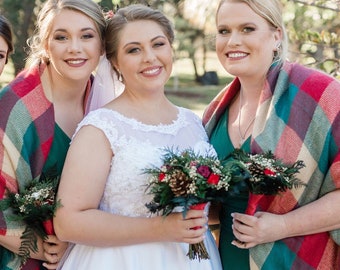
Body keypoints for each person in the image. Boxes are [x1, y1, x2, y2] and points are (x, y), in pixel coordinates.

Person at [53, 4, 222, 270]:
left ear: (171, 48)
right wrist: (160, 228)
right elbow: (68, 223)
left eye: (158, 44)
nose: (150, 57)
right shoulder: (101, 127)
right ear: (115, 62)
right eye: (134, 50)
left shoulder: (192, 122)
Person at [202, 0, 340, 269]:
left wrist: (282, 225)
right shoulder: (213, 113)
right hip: (227, 260)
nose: (232, 41)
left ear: (276, 36)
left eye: (247, 29)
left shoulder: (322, 95)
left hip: (297, 260)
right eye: (223, 31)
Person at [0, 0, 109, 269]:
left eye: (87, 35)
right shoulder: (16, 108)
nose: (75, 47)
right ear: (45, 44)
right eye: (61, 37)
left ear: (103, 45)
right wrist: (43, 248)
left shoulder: (106, 99)